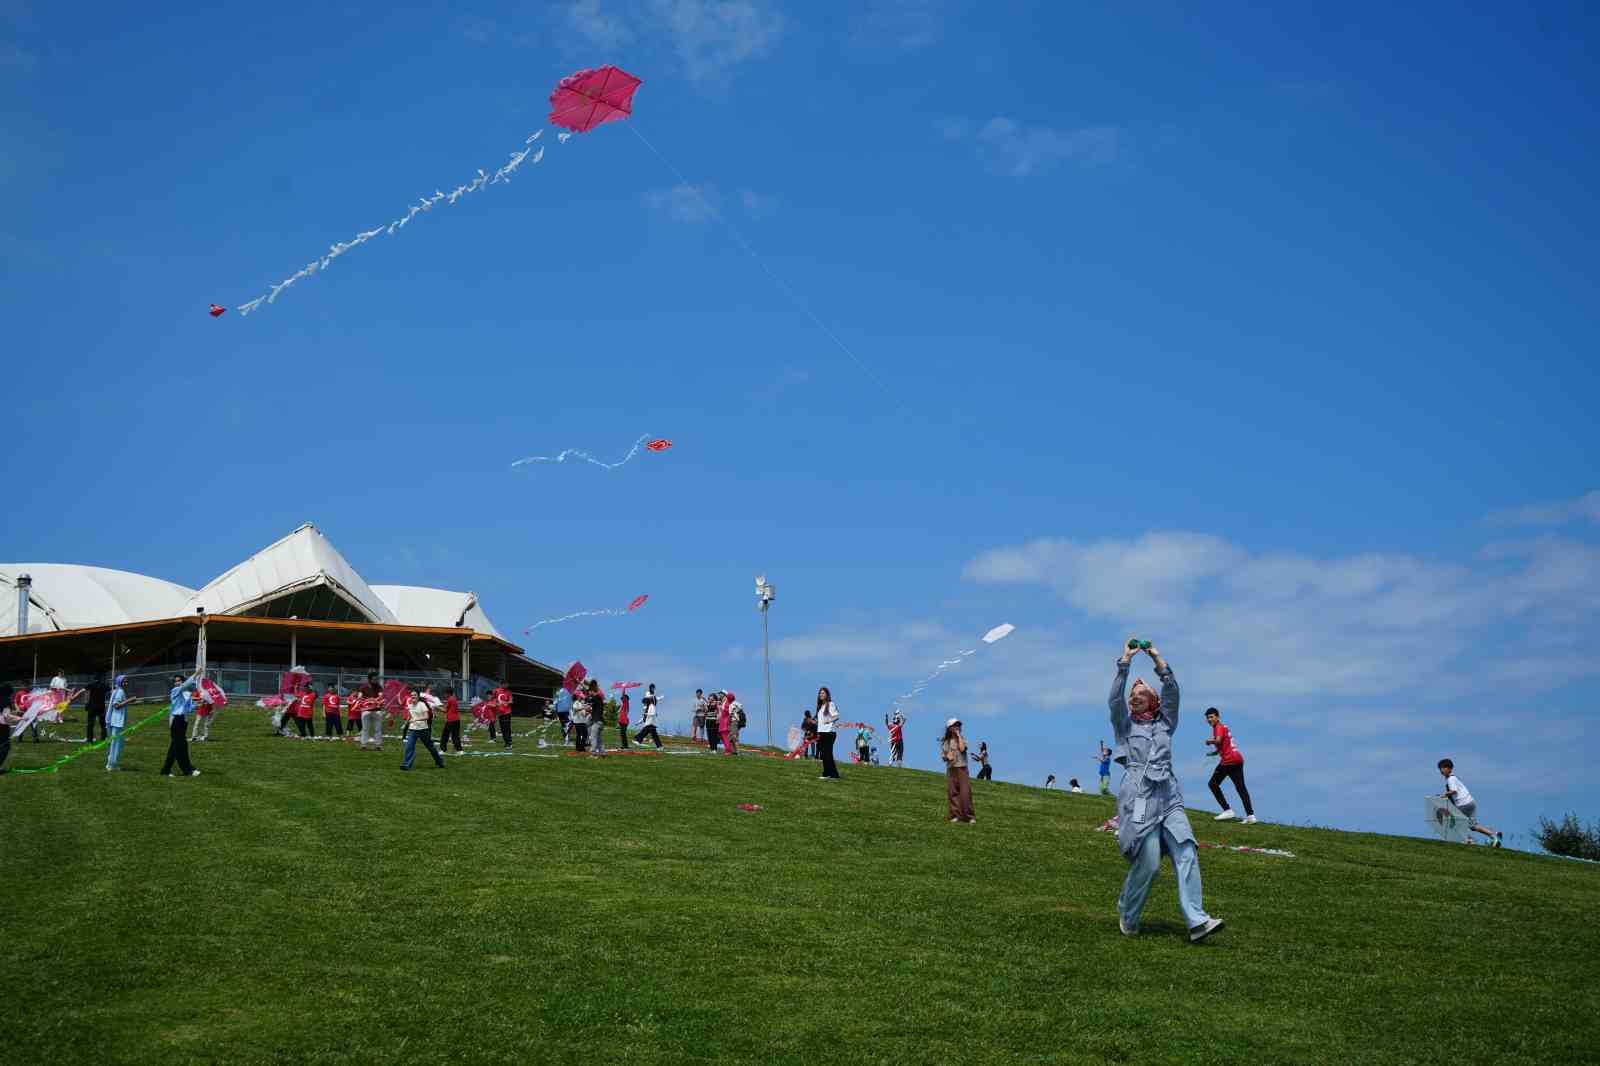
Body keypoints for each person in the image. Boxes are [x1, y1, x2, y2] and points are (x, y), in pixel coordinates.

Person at [1109, 640, 1222, 942]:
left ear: (1154, 701)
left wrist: (1157, 658)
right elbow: (1114, 699)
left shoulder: (1165, 723)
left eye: (1141, 693)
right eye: (1132, 695)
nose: (1134, 697)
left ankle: (1197, 920)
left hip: (1169, 795)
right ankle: (1128, 912)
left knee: (1186, 850)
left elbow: (1172, 692)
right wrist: (1125, 663)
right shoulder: (1124, 725)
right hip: (1140, 797)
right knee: (1149, 862)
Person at [1204, 707, 1255, 824]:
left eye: (1211, 717)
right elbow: (1223, 744)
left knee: (1213, 784)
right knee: (1241, 788)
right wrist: (1215, 753)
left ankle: (1227, 811)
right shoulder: (1223, 727)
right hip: (1238, 759)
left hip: (1229, 761)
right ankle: (1251, 816)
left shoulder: (1218, 727)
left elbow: (1218, 740)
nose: (1209, 719)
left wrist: (1209, 741)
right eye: (1207, 718)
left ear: (1217, 717)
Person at [1438, 759, 1501, 846]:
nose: (1441, 770)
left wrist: (1444, 794)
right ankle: (1493, 835)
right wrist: (1447, 796)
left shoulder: (1450, 779)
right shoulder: (1455, 778)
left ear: (1449, 768)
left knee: (1453, 822)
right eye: (1440, 768)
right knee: (1473, 826)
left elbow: (1454, 791)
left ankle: (1469, 840)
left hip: (1463, 804)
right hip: (1471, 803)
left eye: (1443, 768)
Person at [161, 673, 202, 778]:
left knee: (175, 747)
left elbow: (188, 708)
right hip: (176, 721)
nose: (177, 683)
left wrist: (197, 704)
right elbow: (186, 685)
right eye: (176, 681)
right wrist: (196, 674)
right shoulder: (175, 690)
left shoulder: (187, 694)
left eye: (179, 680)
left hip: (183, 721)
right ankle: (187, 770)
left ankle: (165, 770)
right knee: (181, 746)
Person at [401, 690, 446, 770]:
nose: (413, 696)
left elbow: (426, 716)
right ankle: (407, 765)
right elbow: (410, 716)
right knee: (409, 747)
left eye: (414, 695)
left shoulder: (422, 705)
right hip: (413, 729)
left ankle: (440, 761)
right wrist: (405, 724)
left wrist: (416, 719)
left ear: (418, 697)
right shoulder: (410, 705)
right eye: (411, 695)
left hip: (423, 730)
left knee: (430, 747)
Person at [941, 718, 975, 823]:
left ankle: (969, 816)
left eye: (959, 726)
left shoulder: (962, 739)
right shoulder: (946, 742)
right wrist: (947, 757)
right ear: (950, 728)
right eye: (955, 726)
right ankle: (955, 815)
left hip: (962, 768)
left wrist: (959, 736)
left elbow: (962, 748)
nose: (958, 727)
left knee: (965, 792)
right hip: (951, 769)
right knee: (953, 793)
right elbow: (943, 756)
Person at [105, 675, 132, 771]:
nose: (126, 683)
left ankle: (111, 763)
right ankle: (112, 765)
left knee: (115, 743)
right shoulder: (120, 692)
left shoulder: (117, 690)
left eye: (127, 681)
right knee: (116, 744)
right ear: (120, 682)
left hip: (116, 721)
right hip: (117, 721)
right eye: (124, 681)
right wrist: (129, 700)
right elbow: (116, 706)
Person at [815, 687, 841, 779]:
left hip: (829, 732)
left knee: (827, 754)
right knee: (823, 754)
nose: (821, 695)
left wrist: (829, 720)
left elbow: (836, 716)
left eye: (823, 693)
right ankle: (828, 773)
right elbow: (820, 721)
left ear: (827, 694)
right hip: (821, 733)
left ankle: (832, 774)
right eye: (820, 693)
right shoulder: (821, 707)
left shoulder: (830, 704)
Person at [358, 671, 384, 751]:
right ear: (369, 679)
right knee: (365, 728)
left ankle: (378, 745)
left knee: (378, 729)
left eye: (376, 679)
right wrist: (366, 700)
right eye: (374, 679)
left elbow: (381, 695)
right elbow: (359, 696)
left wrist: (375, 699)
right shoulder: (363, 687)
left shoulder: (379, 686)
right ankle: (363, 745)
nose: (376, 680)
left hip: (377, 710)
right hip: (366, 710)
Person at [635, 683, 662, 749]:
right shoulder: (649, 706)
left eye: (645, 702)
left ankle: (638, 740)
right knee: (653, 735)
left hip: (651, 722)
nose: (645, 703)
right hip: (650, 723)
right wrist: (639, 722)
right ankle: (659, 746)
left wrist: (646, 714)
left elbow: (653, 714)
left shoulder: (652, 706)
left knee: (645, 731)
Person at [85, 677, 109, 744]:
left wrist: (86, 703)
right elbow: (109, 690)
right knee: (103, 724)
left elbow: (86, 692)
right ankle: (103, 738)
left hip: (92, 707)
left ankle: (90, 739)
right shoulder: (104, 685)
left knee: (90, 724)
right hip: (101, 707)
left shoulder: (91, 684)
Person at [439, 686, 463, 753]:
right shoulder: (454, 699)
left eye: (445, 693)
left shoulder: (450, 699)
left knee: (445, 735)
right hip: (457, 720)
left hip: (451, 720)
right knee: (455, 735)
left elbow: (445, 710)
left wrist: (436, 707)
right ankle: (459, 750)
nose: (444, 695)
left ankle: (443, 750)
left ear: (448, 693)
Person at [586, 680, 606, 757]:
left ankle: (593, 753)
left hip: (597, 722)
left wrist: (585, 698)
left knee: (593, 737)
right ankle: (603, 753)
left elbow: (589, 700)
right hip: (600, 722)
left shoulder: (596, 697)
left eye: (589, 692)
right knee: (599, 739)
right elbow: (594, 709)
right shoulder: (598, 699)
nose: (588, 693)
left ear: (592, 691)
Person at [493, 682, 514, 748]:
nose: (507, 685)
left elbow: (511, 701)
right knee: (502, 728)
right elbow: (493, 699)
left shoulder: (508, 692)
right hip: (500, 713)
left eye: (507, 684)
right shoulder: (496, 691)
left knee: (506, 727)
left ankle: (508, 742)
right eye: (505, 684)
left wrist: (507, 703)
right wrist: (496, 703)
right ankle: (506, 741)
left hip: (507, 712)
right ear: (502, 684)